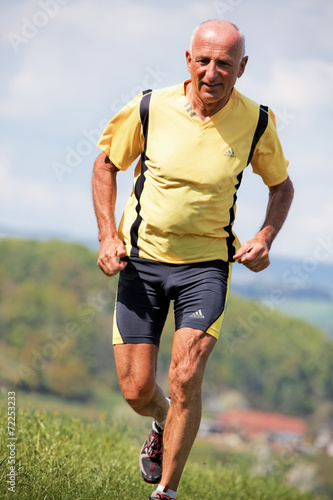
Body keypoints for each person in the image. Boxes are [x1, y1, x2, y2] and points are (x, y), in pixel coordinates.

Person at [92, 20, 294, 500]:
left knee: (186, 374)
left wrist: (266, 235)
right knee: (139, 390)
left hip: (206, 266)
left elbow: (281, 186)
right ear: (188, 60)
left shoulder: (258, 122)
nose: (212, 72)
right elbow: (105, 164)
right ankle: (163, 419)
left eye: (224, 63)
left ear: (241, 68)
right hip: (141, 260)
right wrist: (106, 236)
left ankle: (166, 491)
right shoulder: (149, 107)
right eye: (203, 61)